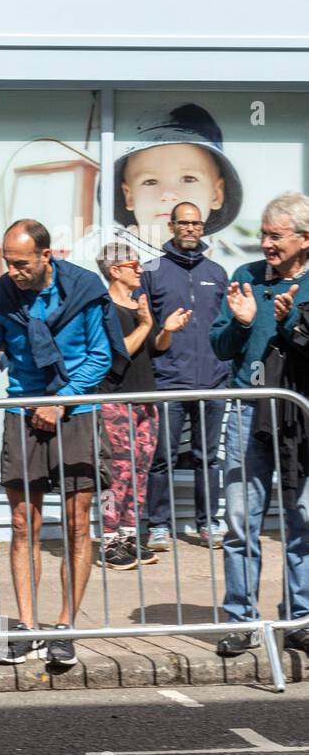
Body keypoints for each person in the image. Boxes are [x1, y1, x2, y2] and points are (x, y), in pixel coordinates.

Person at [0, 219, 121, 668]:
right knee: (21, 525)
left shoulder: (84, 289)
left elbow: (99, 356)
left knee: (75, 523)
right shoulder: (0, 296)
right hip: (21, 410)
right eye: (7, 262)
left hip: (76, 411)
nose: (13, 271)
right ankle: (28, 628)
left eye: (22, 263)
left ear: (47, 256)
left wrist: (62, 402)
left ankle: (65, 627)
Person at [210, 192, 309, 657]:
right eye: (264, 234)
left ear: (304, 239)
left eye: (276, 235)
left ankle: (300, 617)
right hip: (248, 413)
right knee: (239, 520)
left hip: (299, 416)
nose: (266, 243)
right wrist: (244, 323)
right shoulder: (243, 277)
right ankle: (241, 619)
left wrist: (290, 326)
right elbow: (221, 346)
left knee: (302, 519)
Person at [94, 240, 190, 570]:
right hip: (115, 401)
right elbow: (117, 354)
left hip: (145, 399)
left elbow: (155, 349)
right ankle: (109, 539)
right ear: (115, 270)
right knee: (115, 474)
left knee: (139, 473)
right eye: (135, 266)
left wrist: (165, 329)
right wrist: (148, 325)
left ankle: (130, 535)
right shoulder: (103, 307)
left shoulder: (139, 306)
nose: (140, 272)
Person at [139, 202, 229, 552]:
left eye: (196, 223)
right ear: (172, 225)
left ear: (202, 227)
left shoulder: (218, 272)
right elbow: (145, 326)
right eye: (184, 223)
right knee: (162, 457)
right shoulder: (152, 270)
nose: (190, 229)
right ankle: (158, 526)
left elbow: (227, 327)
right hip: (168, 379)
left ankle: (208, 523)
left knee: (208, 457)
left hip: (212, 381)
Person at [115, 103, 243, 250]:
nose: (168, 194)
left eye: (188, 179)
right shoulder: (114, 258)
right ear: (129, 196)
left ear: (216, 195)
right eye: (150, 181)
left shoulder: (217, 268)